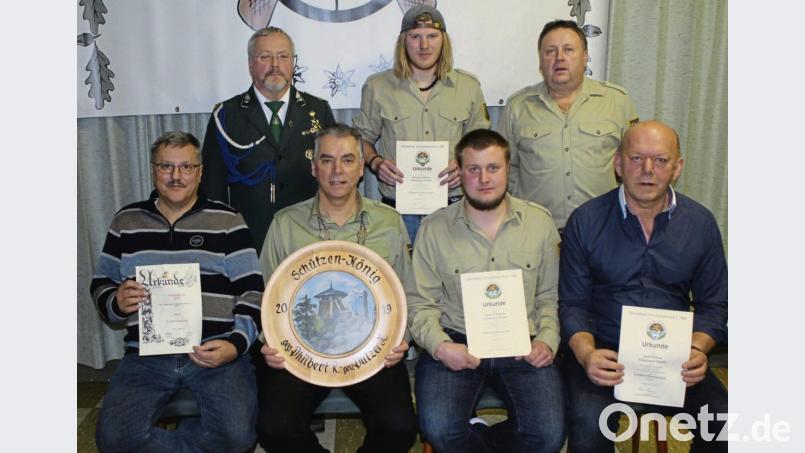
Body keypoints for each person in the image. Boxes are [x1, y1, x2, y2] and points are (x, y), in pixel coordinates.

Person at [559, 120, 728, 452]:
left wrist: (697, 349)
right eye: (636, 158)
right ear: (619, 164)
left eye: (660, 160)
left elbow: (715, 305)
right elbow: (572, 304)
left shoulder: (701, 224)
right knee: (588, 428)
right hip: (604, 353)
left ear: (677, 168)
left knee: (723, 423)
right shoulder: (586, 221)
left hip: (676, 356)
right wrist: (586, 354)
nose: (647, 170)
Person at [91, 131, 264, 452]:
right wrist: (116, 300)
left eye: (186, 167)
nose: (176, 176)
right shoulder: (126, 221)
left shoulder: (228, 221)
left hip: (216, 353)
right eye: (166, 167)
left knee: (238, 438)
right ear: (153, 170)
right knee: (113, 440)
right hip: (146, 355)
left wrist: (235, 345)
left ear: (200, 172)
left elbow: (253, 292)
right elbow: (101, 283)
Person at [255, 124, 417, 453]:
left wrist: (404, 340)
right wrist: (268, 340)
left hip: (373, 352)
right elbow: (264, 297)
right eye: (326, 160)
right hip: (301, 354)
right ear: (313, 168)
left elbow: (408, 294)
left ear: (361, 168)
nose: (336, 171)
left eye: (347, 160)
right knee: (275, 427)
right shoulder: (286, 223)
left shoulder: (389, 222)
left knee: (400, 427)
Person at [406, 129, 565, 452]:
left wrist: (547, 339)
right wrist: (440, 347)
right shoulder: (434, 228)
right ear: (460, 172)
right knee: (438, 430)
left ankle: (479, 435)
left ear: (508, 169)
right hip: (456, 339)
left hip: (523, 343)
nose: (484, 178)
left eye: (493, 168)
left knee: (547, 436)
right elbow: (420, 304)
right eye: (473, 169)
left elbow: (549, 297)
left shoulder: (539, 224)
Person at [353, 5, 490, 243]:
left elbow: (482, 144)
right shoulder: (378, 87)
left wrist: (464, 164)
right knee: (402, 279)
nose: (424, 45)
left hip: (454, 208)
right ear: (403, 41)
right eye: (415, 37)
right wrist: (376, 163)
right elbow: (359, 139)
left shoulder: (468, 87)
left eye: (432, 36)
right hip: (398, 211)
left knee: (453, 277)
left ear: (443, 40)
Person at [201, 26, 335, 251]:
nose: (275, 65)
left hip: (308, 235)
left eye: (283, 57)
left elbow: (335, 178)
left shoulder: (318, 111)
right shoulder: (226, 116)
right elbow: (212, 189)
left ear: (292, 64)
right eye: (265, 57)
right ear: (250, 65)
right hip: (248, 238)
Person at [499, 19, 639, 231]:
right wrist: (523, 201)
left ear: (585, 58)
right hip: (538, 229)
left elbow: (634, 163)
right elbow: (506, 167)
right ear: (540, 61)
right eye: (550, 51)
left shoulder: (617, 101)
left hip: (602, 229)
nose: (559, 58)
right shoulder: (517, 107)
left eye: (569, 50)